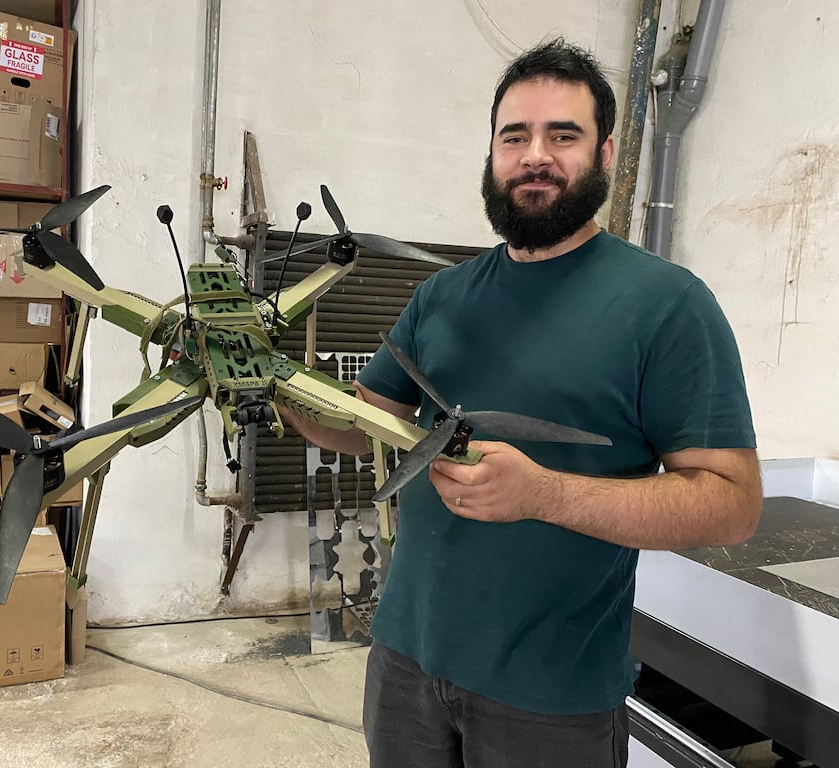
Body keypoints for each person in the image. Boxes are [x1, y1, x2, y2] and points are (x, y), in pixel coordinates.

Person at [285, 37, 761, 768]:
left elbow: (732, 504)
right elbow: (362, 423)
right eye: (515, 137)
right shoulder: (441, 295)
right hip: (405, 662)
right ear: (492, 156)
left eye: (562, 135)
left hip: (551, 696)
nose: (535, 155)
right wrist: (277, 386)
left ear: (604, 155)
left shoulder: (667, 305)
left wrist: (543, 494)